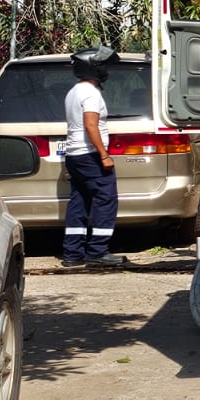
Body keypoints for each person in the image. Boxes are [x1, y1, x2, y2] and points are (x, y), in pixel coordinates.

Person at [62, 46, 127, 268]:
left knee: (79, 201)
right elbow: (91, 125)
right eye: (103, 65)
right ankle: (98, 251)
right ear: (94, 66)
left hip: (74, 155)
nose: (106, 69)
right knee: (106, 199)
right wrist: (104, 154)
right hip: (90, 155)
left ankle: (72, 253)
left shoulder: (74, 91)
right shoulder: (91, 93)